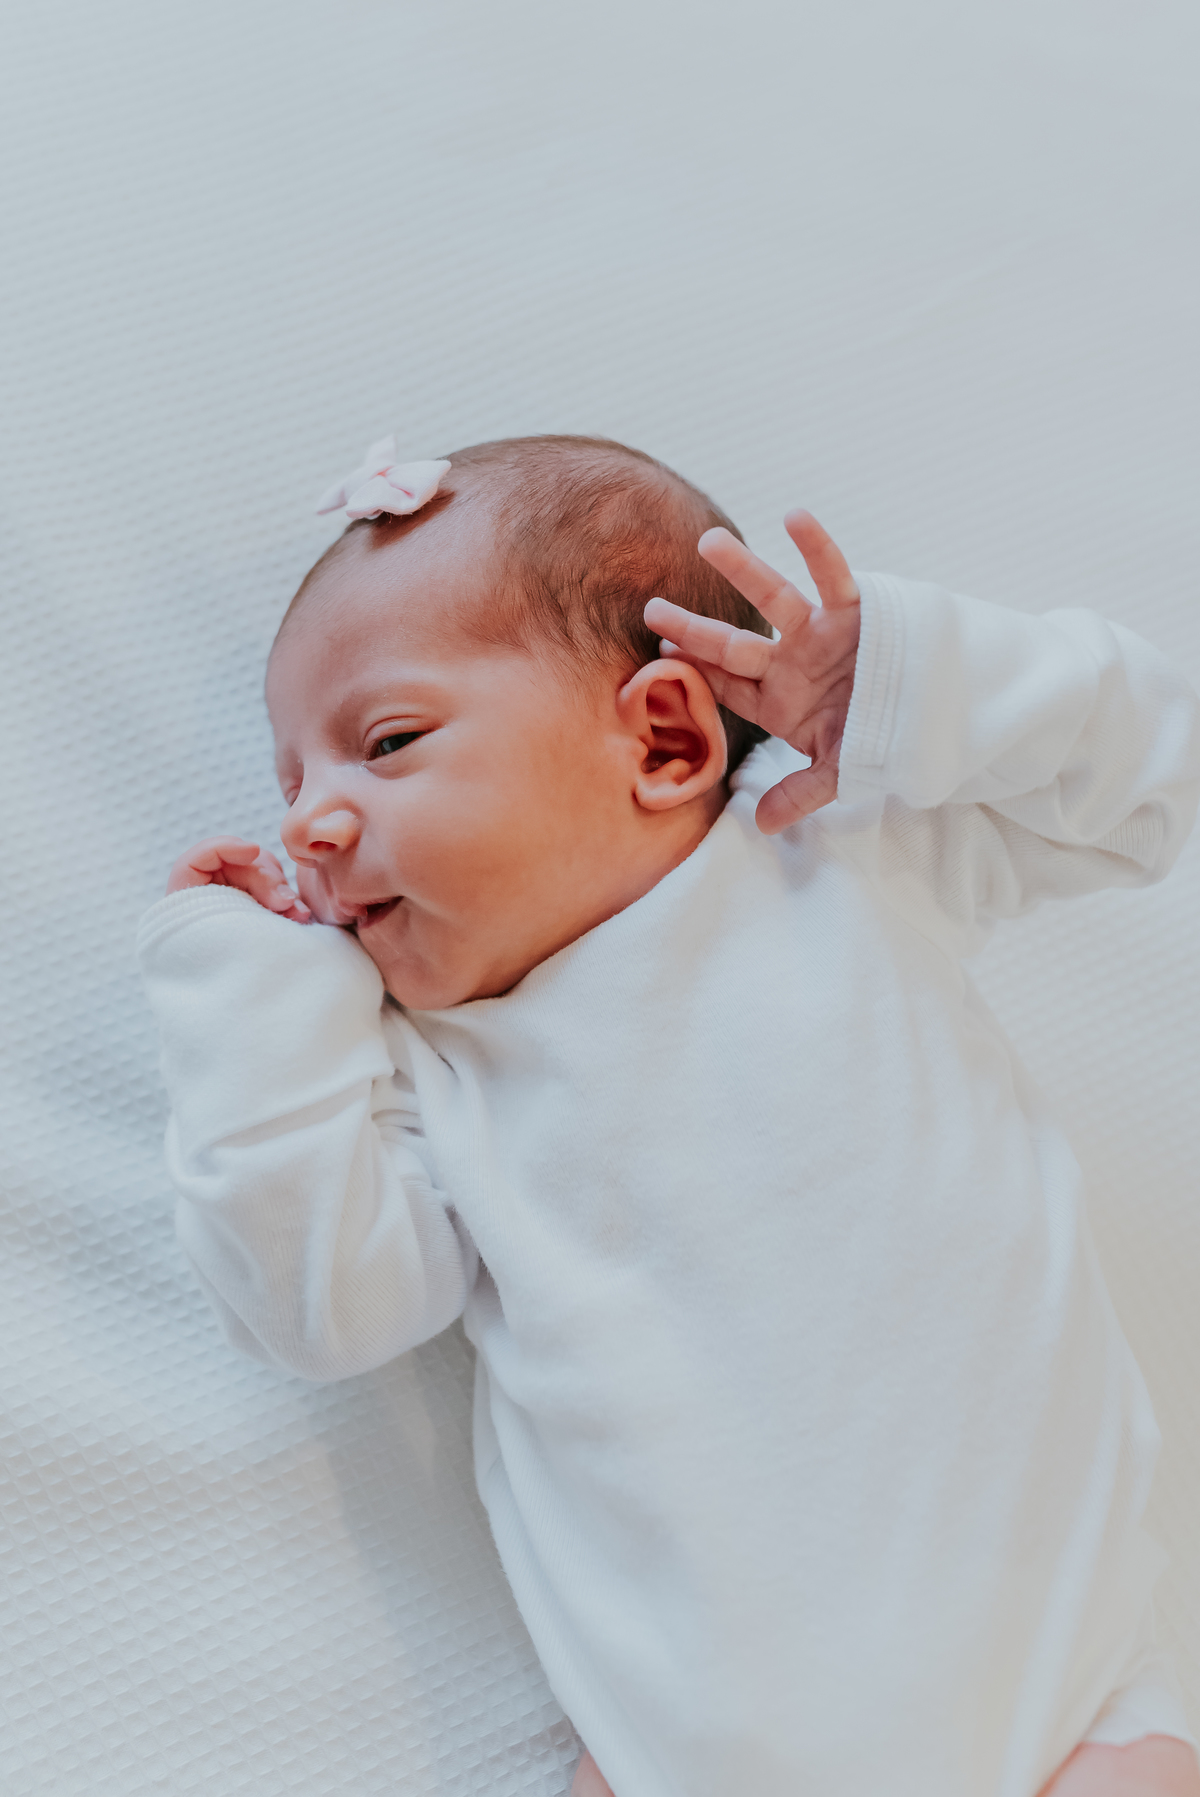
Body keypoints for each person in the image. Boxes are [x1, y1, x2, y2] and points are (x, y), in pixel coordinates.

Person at [139, 434, 1200, 1796]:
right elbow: (312, 1307)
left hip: (1066, 1703)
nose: (317, 826)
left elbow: (1149, 782)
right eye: (294, 787)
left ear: (666, 734)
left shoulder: (829, 841)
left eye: (386, 742)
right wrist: (250, 991)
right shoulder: (437, 1070)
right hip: (687, 1754)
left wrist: (907, 686)